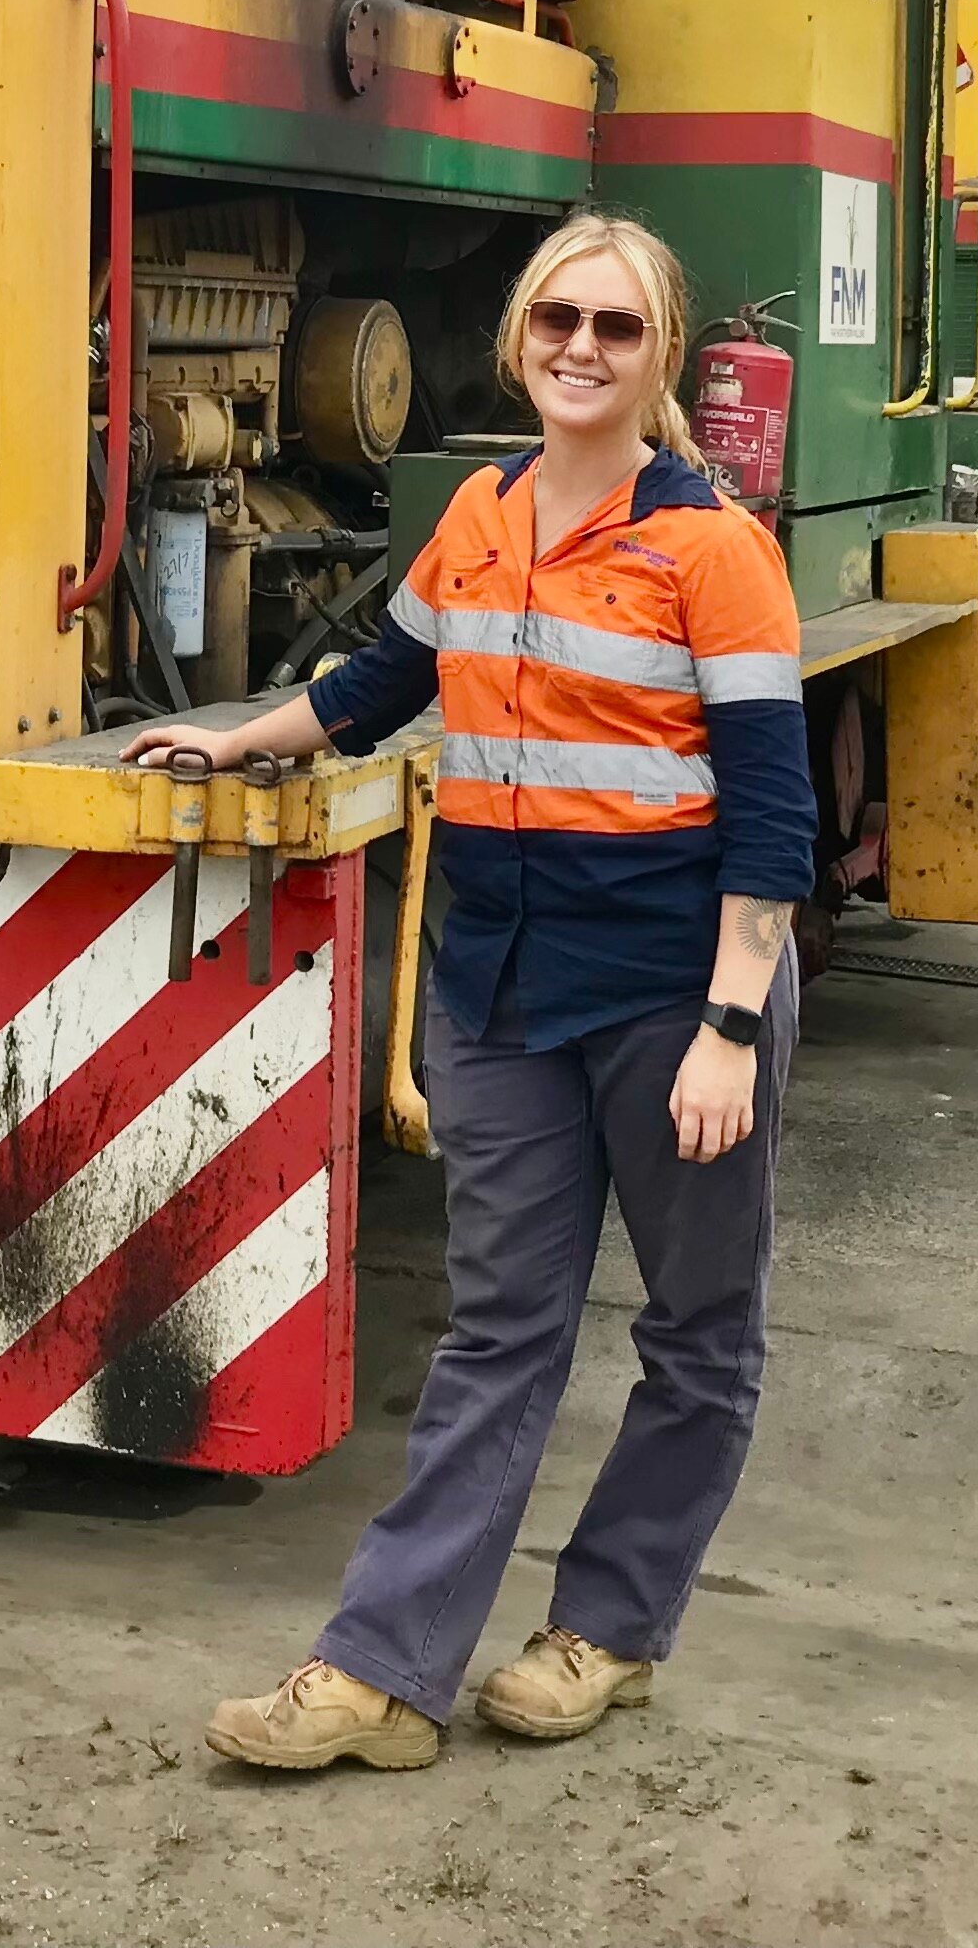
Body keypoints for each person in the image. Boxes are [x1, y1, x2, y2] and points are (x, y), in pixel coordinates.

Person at [130, 211, 811, 1771]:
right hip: (499, 991)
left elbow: (774, 819)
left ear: (662, 361)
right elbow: (382, 687)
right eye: (558, 321)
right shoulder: (482, 518)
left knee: (699, 1332)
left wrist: (725, 1028)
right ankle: (382, 1670)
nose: (583, 349)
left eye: (618, 330)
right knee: (500, 1330)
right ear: (517, 339)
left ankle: (612, 1629)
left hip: (668, 998)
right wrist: (236, 743)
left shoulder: (713, 549)